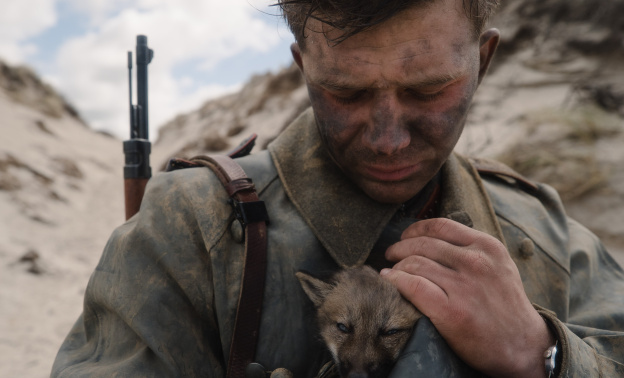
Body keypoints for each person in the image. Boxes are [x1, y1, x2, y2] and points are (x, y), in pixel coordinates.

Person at [51, 0, 624, 377]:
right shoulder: (187, 231)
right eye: (346, 93)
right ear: (303, 68)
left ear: (483, 59)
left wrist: (542, 352)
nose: (389, 139)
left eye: (429, 90)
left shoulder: (547, 235)